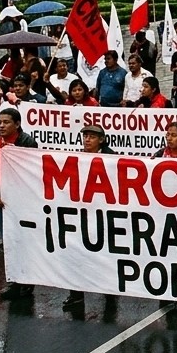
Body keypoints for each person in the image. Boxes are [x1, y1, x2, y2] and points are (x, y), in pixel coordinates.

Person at [0, 108, 39, 299]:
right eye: (0, 122)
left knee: (24, 243)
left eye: (6, 122)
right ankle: (14, 282)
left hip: (22, 205)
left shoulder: (27, 143)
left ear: (17, 124)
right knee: (8, 244)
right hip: (0, 203)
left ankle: (27, 282)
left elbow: (34, 172)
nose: (2, 126)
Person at [62, 125, 118, 311]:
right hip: (82, 215)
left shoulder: (113, 158)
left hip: (104, 216)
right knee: (75, 254)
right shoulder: (78, 158)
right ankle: (76, 295)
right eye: (85, 136)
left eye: (91, 137)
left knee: (105, 255)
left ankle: (110, 290)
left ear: (101, 140)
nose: (87, 140)